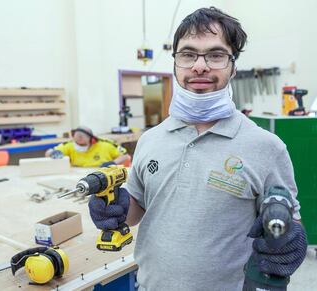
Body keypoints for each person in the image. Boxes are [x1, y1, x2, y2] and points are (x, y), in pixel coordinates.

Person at [88, 7, 307, 291]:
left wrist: (290, 239)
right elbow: (139, 208)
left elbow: (286, 224)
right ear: (176, 63)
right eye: (188, 54)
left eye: (215, 55)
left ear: (233, 66)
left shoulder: (267, 147)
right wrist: (117, 208)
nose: (200, 66)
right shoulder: (151, 139)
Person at [45, 126, 130, 167]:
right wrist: (52, 153)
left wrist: (113, 163)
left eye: (82, 139)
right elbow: (47, 153)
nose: (79, 144)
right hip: (77, 175)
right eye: (77, 141)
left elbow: (126, 156)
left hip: (102, 173)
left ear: (91, 139)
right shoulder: (69, 145)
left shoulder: (105, 144)